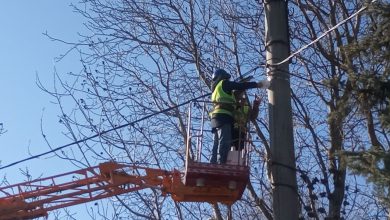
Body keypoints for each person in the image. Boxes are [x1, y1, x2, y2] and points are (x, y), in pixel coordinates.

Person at [210, 69, 269, 164]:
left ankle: (215, 162)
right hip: (224, 119)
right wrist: (257, 84)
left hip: (223, 121)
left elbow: (252, 116)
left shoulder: (218, 91)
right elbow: (238, 86)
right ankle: (221, 163)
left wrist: (256, 106)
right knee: (224, 143)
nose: (241, 96)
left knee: (218, 143)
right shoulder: (224, 84)